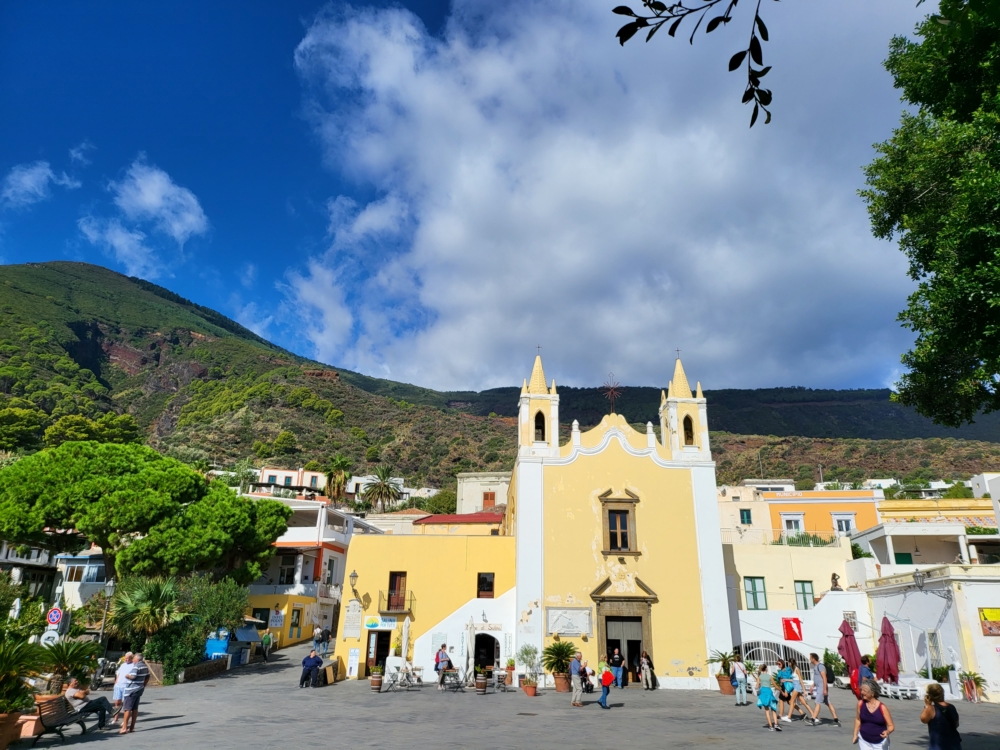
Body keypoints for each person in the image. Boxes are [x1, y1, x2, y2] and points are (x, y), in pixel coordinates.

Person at [853, 680, 894, 750]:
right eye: (861, 690)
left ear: (872, 693)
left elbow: (891, 726)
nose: (862, 692)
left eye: (865, 691)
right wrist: (855, 735)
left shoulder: (882, 707)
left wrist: (887, 732)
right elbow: (858, 720)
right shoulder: (860, 704)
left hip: (880, 742)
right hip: (864, 740)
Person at [921, 683, 961, 750]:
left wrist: (927, 705)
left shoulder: (931, 709)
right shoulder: (951, 707)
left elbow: (923, 719)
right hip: (954, 745)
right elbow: (956, 724)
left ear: (929, 696)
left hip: (938, 745)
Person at [119, 652, 150, 735]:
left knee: (127, 708)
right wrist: (143, 685)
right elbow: (148, 676)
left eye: (134, 658)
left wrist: (127, 676)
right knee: (135, 708)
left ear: (137, 659)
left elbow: (133, 676)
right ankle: (132, 727)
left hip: (131, 690)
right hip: (139, 689)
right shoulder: (145, 666)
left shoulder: (137, 666)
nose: (133, 660)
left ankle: (124, 728)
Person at [809, 652, 840, 726]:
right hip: (819, 687)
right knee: (828, 702)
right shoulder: (816, 667)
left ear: (813, 658)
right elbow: (817, 678)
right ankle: (836, 719)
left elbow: (824, 678)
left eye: (810, 658)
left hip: (822, 687)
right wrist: (813, 686)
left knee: (817, 702)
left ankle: (813, 719)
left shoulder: (820, 666)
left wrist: (825, 689)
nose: (810, 659)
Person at [109, 652, 133, 727]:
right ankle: (115, 718)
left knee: (125, 704)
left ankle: (125, 720)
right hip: (119, 685)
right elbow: (118, 673)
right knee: (117, 703)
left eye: (128, 658)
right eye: (125, 658)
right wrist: (116, 682)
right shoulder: (123, 665)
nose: (126, 659)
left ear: (131, 658)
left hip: (126, 686)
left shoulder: (133, 665)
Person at [756, 664, 781, 732]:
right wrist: (781, 691)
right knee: (773, 709)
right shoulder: (770, 676)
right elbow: (775, 686)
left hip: (763, 693)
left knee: (767, 710)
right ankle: (776, 724)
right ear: (766, 669)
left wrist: (759, 686)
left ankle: (770, 726)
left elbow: (757, 686)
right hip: (769, 692)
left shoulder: (759, 677)